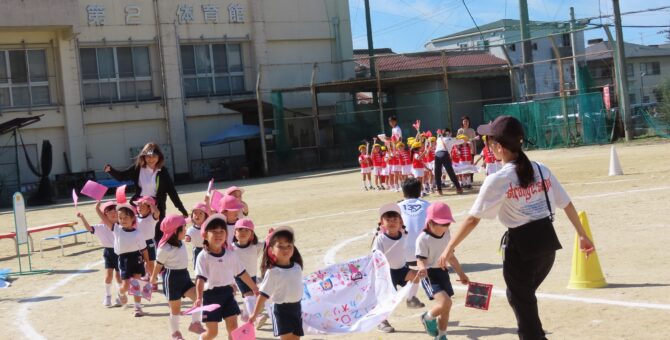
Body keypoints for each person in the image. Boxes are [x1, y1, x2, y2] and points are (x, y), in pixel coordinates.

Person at [438, 115, 595, 340]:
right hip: (546, 247)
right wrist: (582, 235)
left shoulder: (499, 179)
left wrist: (448, 248)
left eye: (488, 141)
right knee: (522, 299)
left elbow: (473, 219)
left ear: (498, 147)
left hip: (520, 250)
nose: (486, 145)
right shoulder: (541, 169)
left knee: (523, 305)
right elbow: (566, 203)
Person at [104, 142, 189, 242]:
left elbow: (172, 192)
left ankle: (157, 254)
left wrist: (182, 209)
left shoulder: (162, 171)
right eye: (148, 156)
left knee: (158, 231)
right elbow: (122, 176)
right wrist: (111, 170)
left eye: (154, 156)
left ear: (159, 157)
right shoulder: (138, 169)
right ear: (143, 157)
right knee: (138, 231)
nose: (151, 159)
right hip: (140, 205)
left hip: (157, 206)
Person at [195, 214, 259, 340]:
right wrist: (198, 298)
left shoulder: (231, 254)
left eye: (222, 231)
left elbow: (242, 273)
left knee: (233, 329)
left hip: (228, 294)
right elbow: (200, 279)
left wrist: (254, 288)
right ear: (205, 235)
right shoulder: (203, 256)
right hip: (210, 296)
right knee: (212, 333)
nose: (218, 235)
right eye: (214, 231)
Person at [417, 202, 469, 340]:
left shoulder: (447, 234)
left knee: (446, 308)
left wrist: (461, 274)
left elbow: (451, 257)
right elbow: (420, 260)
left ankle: (442, 335)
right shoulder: (423, 239)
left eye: (448, 223)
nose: (446, 227)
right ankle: (427, 317)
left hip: (443, 272)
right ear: (431, 222)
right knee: (446, 302)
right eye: (443, 224)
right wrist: (422, 268)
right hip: (429, 275)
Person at [150, 214, 206, 340]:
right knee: (175, 309)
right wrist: (153, 278)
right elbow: (158, 265)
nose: (186, 230)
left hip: (184, 276)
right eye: (183, 227)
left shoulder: (180, 243)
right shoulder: (164, 248)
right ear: (175, 231)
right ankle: (175, 333)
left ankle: (195, 323)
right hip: (172, 279)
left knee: (198, 298)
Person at [250, 226, 304, 340]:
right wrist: (255, 314)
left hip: (296, 309)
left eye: (289, 245)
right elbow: (263, 295)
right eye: (280, 246)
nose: (285, 249)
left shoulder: (297, 267)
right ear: (271, 250)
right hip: (281, 310)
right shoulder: (273, 272)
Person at [372, 203, 419, 333]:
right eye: (388, 220)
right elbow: (376, 256)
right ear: (381, 223)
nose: (392, 222)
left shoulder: (403, 235)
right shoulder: (380, 239)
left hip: (402, 269)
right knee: (386, 300)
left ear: (400, 222)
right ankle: (382, 321)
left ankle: (411, 299)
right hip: (387, 273)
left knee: (416, 276)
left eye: (395, 220)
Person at [97, 201, 149, 317]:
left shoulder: (138, 233)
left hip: (137, 258)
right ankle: (121, 293)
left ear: (132, 219)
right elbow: (105, 220)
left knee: (137, 284)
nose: (123, 220)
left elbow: (144, 249)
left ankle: (137, 307)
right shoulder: (117, 229)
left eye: (126, 217)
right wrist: (97, 209)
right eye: (120, 218)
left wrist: (148, 263)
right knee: (125, 286)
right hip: (124, 260)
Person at [76, 201, 122, 307]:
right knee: (108, 276)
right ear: (105, 214)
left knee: (119, 276)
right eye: (110, 211)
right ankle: (108, 296)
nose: (114, 213)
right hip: (109, 253)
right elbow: (89, 229)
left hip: (120, 252)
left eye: (115, 211)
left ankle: (120, 296)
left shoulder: (121, 225)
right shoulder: (102, 227)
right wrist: (82, 217)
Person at [397, 178, 429, 309]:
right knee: (419, 273)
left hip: (401, 254)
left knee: (409, 274)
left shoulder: (396, 207)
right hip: (422, 254)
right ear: (420, 190)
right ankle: (411, 298)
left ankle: (410, 298)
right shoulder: (428, 205)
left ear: (403, 192)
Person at [134, 196, 159, 281]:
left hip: (149, 242)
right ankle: (147, 275)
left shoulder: (152, 217)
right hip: (138, 243)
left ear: (149, 209)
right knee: (141, 262)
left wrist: (151, 204)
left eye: (143, 206)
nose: (139, 208)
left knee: (150, 262)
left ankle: (153, 278)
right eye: (138, 206)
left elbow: (157, 213)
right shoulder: (135, 218)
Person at [433, 129, 464, 195]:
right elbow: (461, 141)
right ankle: (458, 188)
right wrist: (466, 139)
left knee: (437, 173)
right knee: (450, 172)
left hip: (437, 155)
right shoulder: (451, 139)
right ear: (448, 133)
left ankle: (439, 190)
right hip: (445, 154)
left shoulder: (439, 139)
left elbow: (439, 137)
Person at [185, 202, 208, 269]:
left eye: (200, 213)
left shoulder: (208, 227)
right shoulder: (191, 229)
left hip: (208, 249)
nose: (197, 215)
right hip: (197, 249)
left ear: (205, 216)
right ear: (192, 216)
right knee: (197, 265)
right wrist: (187, 237)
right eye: (195, 213)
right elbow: (188, 235)